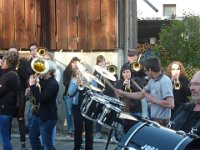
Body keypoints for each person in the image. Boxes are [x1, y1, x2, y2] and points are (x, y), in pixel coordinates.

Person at [115, 56, 174, 127]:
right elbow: (141, 94)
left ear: (150, 70)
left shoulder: (165, 81)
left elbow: (171, 104)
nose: (145, 73)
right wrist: (123, 93)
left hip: (163, 122)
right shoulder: (152, 81)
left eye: (146, 70)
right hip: (155, 120)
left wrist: (152, 99)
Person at [27, 56, 59, 150]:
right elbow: (36, 96)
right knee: (32, 137)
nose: (39, 70)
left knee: (47, 144)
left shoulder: (53, 84)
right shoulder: (41, 80)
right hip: (38, 115)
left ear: (49, 71)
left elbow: (42, 98)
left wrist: (32, 86)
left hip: (48, 117)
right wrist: (30, 91)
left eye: (43, 68)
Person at [8, 46, 28, 150]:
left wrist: (19, 67)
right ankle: (8, 141)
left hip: (20, 94)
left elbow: (26, 76)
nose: (13, 55)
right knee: (8, 118)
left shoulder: (22, 63)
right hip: (9, 95)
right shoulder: (6, 63)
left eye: (15, 53)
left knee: (21, 119)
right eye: (11, 53)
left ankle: (23, 142)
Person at [93, 55, 117, 140]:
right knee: (99, 114)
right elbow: (94, 83)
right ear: (97, 63)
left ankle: (112, 135)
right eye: (100, 62)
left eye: (103, 61)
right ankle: (98, 132)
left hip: (111, 95)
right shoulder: (96, 72)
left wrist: (108, 71)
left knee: (111, 115)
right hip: (101, 95)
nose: (102, 63)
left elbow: (115, 79)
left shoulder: (110, 69)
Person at [0, 51, 20, 150]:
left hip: (4, 110)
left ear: (9, 63)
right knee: (5, 137)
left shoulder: (9, 75)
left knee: (5, 138)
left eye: (4, 60)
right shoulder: (12, 74)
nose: (1, 62)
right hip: (7, 110)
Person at [69, 67, 93, 150]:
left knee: (89, 130)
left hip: (89, 107)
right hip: (77, 107)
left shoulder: (90, 79)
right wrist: (77, 83)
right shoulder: (73, 80)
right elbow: (70, 93)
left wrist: (86, 84)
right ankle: (77, 147)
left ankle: (89, 148)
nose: (79, 72)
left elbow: (95, 92)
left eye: (81, 70)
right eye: (77, 71)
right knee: (78, 130)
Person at [170, 71, 200, 136]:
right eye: (191, 84)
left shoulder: (183, 79)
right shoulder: (183, 108)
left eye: (196, 84)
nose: (191, 88)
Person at [115, 65, 143, 133]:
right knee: (124, 130)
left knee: (135, 129)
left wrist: (130, 83)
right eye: (124, 72)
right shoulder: (119, 82)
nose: (126, 74)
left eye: (128, 72)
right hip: (124, 110)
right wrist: (123, 85)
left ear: (131, 72)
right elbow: (117, 94)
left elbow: (140, 91)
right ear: (121, 74)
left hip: (135, 109)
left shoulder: (137, 80)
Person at [42, 52, 61, 146]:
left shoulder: (56, 71)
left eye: (48, 59)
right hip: (41, 101)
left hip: (51, 100)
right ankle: (43, 143)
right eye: (44, 59)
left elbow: (53, 86)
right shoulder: (40, 70)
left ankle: (50, 144)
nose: (46, 61)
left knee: (50, 126)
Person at [63, 57, 80, 138]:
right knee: (69, 113)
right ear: (71, 63)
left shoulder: (80, 72)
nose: (75, 65)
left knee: (77, 113)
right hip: (68, 95)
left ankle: (78, 130)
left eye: (76, 63)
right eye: (74, 63)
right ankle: (70, 130)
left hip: (77, 95)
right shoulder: (67, 71)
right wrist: (73, 79)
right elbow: (65, 83)